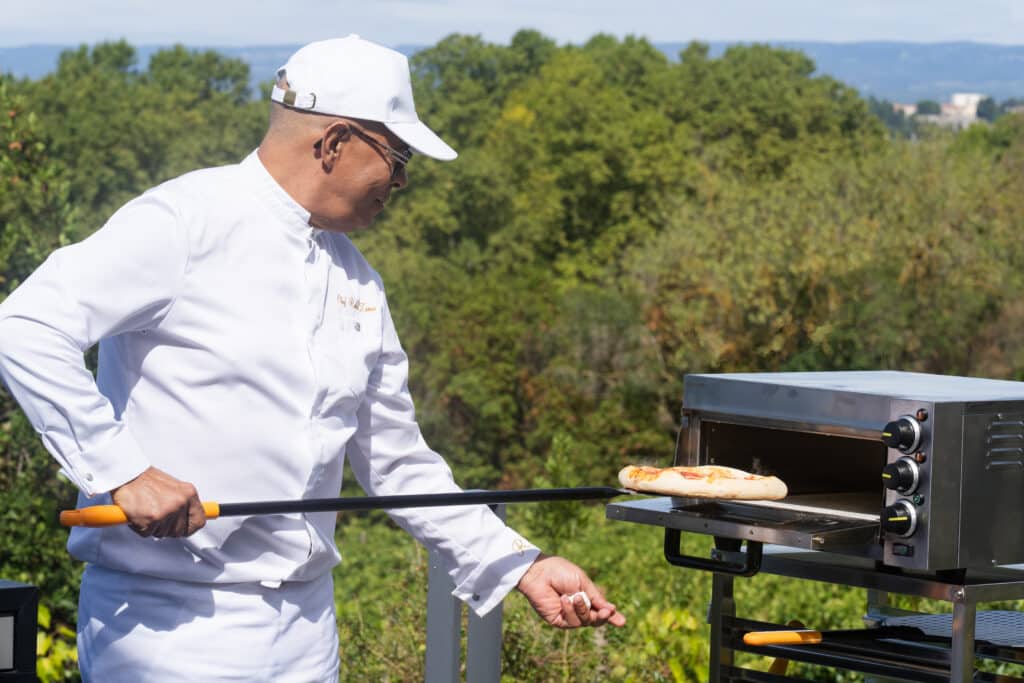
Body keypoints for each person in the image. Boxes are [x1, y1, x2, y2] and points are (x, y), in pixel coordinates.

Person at [0, 35, 625, 681]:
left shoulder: (359, 282)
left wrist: (520, 562)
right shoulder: (184, 221)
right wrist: (122, 469)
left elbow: (397, 460)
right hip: (168, 631)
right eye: (397, 155)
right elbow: (25, 323)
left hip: (308, 630)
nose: (403, 179)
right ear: (333, 143)